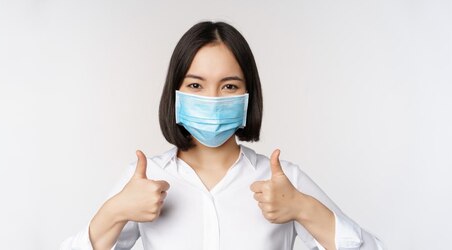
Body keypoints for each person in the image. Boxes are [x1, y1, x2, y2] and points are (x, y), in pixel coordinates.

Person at [61, 21, 384, 250]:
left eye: (229, 86)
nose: (213, 100)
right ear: (176, 93)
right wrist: (115, 212)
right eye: (196, 85)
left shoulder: (283, 183)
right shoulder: (145, 180)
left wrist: (304, 209)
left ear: (248, 95)